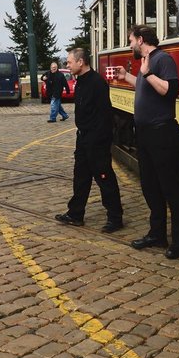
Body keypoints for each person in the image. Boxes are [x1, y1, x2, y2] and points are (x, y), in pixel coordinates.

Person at [116, 24, 179, 259]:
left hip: (162, 133)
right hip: (145, 134)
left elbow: (170, 90)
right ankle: (157, 233)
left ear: (140, 39)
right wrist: (127, 76)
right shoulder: (146, 62)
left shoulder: (163, 59)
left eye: (130, 40)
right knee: (150, 186)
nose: (129, 46)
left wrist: (147, 73)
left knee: (171, 188)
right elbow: (146, 88)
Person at [54, 49, 124, 232]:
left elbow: (105, 115)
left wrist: (98, 140)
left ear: (81, 62)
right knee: (81, 177)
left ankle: (115, 218)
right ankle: (75, 214)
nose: (67, 66)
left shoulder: (97, 82)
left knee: (104, 178)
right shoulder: (80, 82)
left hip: (96, 139)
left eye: (69, 62)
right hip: (83, 137)